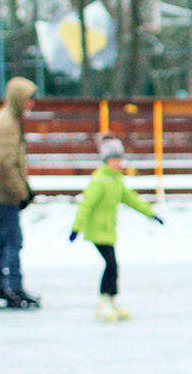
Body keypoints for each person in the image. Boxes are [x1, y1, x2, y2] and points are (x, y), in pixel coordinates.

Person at [68, 133, 162, 321]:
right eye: (114, 159)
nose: (119, 163)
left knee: (113, 265)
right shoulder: (99, 179)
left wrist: (151, 213)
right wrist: (76, 228)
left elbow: (131, 199)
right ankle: (104, 302)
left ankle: (112, 301)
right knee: (111, 265)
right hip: (97, 231)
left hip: (108, 231)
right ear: (107, 161)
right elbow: (87, 204)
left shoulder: (116, 180)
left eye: (120, 159)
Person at [0, 77, 40, 310]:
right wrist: (21, 192)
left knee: (4, 239)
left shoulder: (7, 119)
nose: (31, 104)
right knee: (13, 240)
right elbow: (6, 164)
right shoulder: (8, 124)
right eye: (29, 99)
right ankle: (13, 287)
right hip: (2, 194)